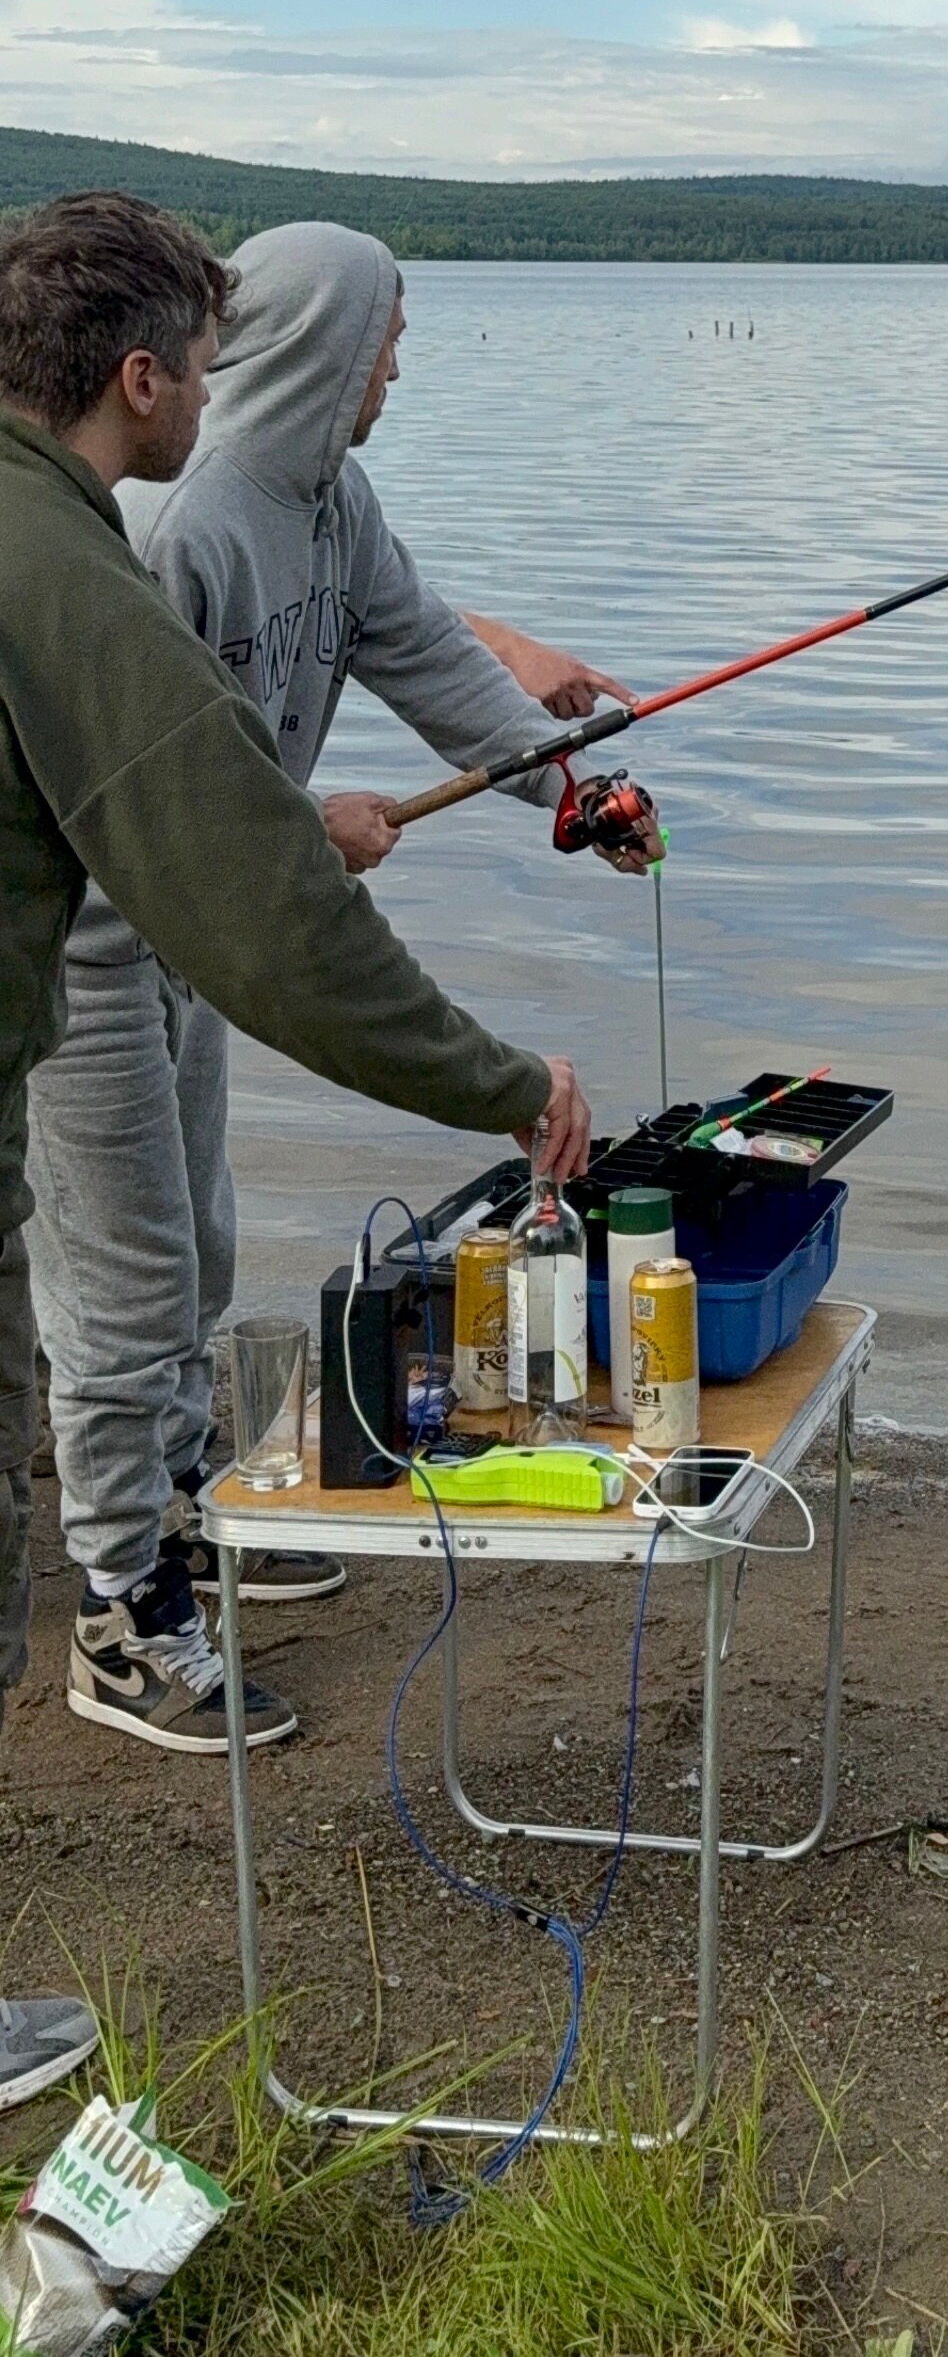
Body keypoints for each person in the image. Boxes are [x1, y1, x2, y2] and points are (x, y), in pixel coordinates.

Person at [0, 193, 594, 2097]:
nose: (399, 363)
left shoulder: (326, 506)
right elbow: (155, 788)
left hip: (197, 927)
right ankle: (123, 1617)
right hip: (101, 948)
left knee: (206, 1229)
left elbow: (422, 651)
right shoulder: (158, 527)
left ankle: (177, 1516)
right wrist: (297, 830)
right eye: (392, 334)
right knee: (127, 1267)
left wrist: (557, 767)